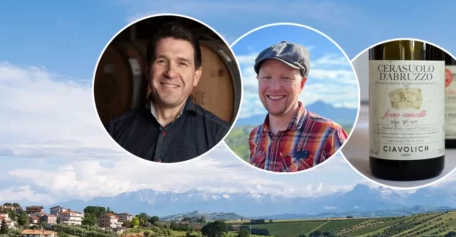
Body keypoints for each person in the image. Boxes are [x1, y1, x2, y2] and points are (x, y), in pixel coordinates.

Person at [105, 22, 230, 163]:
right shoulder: (114, 130)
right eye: (161, 61)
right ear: (147, 71)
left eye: (182, 63)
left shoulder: (220, 135)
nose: (170, 73)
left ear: (196, 76)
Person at [248, 41, 347, 172]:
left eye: (286, 78)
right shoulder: (255, 136)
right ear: (258, 80)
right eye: (266, 77)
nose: (275, 87)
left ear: (302, 84)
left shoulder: (329, 134)